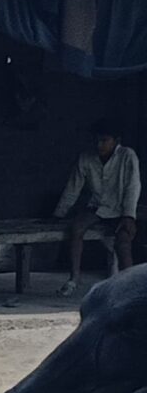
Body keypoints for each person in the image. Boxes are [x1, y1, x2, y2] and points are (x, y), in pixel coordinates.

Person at [56, 117, 140, 294]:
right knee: (76, 228)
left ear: (116, 141)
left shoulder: (127, 156)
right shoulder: (86, 158)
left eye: (104, 140)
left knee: (123, 241)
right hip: (97, 208)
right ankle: (74, 279)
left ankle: (130, 287)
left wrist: (129, 216)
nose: (99, 145)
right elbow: (73, 188)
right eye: (96, 140)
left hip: (121, 209)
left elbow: (132, 187)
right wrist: (59, 213)